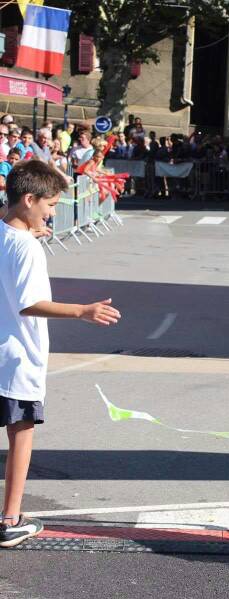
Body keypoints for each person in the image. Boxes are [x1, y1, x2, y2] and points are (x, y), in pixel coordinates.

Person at [0, 161, 120, 548]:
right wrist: (82, 311)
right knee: (21, 433)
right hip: (17, 356)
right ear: (29, 200)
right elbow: (30, 303)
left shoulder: (8, 233)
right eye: (49, 205)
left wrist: (29, 227)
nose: (53, 213)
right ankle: (10, 518)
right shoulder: (27, 248)